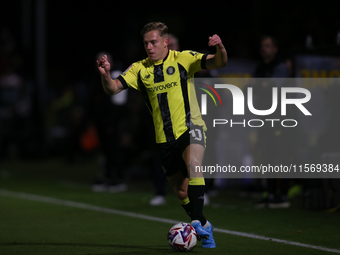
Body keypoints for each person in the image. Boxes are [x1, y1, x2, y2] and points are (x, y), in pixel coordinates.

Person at [96, 21, 227, 248]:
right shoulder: (139, 69)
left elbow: (219, 62)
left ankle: (195, 221)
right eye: (146, 43)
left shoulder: (183, 58)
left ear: (166, 42)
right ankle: (205, 224)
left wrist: (220, 48)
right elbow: (113, 88)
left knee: (195, 164)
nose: (149, 47)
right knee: (180, 191)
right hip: (164, 138)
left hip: (190, 126)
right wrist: (106, 75)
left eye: (153, 42)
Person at [251, 35, 293, 209]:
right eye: (263, 45)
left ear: (275, 49)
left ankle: (282, 195)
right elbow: (251, 87)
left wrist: (261, 86)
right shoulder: (261, 67)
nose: (264, 49)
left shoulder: (280, 67)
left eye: (268, 46)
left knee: (281, 157)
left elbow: (271, 87)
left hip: (281, 118)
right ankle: (269, 194)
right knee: (266, 156)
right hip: (265, 118)